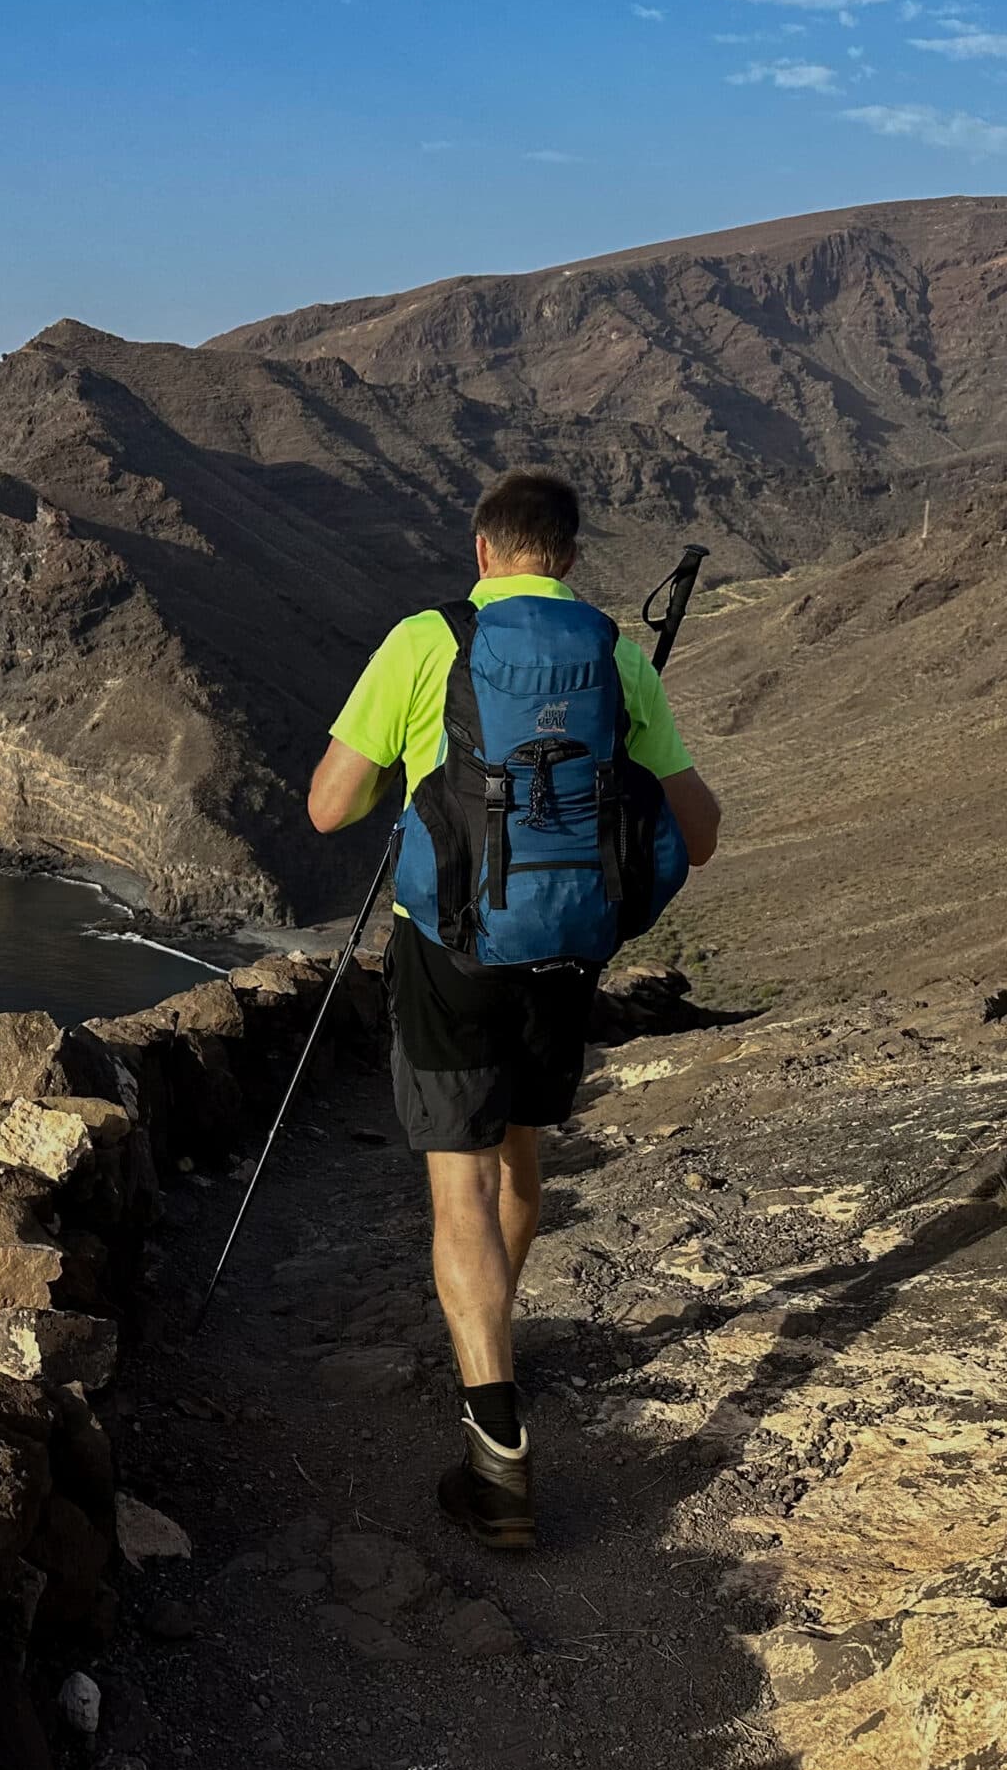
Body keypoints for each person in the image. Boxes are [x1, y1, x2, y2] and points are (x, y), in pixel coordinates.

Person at [305, 469, 721, 1549]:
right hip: (565, 953)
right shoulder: (615, 656)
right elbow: (700, 832)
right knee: (521, 1155)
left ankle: (497, 1460)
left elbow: (327, 808)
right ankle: (494, 1326)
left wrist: (407, 775)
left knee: (460, 1191)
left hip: (449, 952)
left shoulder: (425, 640)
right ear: (569, 557)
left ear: (481, 550)